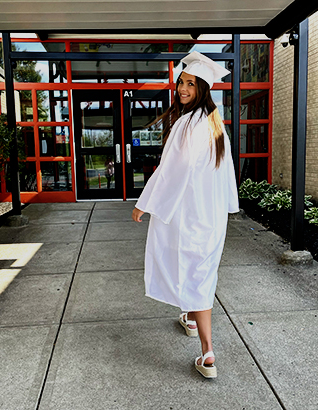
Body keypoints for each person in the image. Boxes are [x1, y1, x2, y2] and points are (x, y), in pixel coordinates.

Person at [131, 51, 239, 379]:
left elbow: (171, 172)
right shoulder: (216, 124)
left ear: (203, 87)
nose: (182, 88)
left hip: (190, 216)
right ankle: (190, 319)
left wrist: (144, 203)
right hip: (211, 216)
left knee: (194, 276)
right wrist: (227, 208)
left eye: (190, 84)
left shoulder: (186, 124)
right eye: (181, 82)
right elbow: (225, 175)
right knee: (199, 272)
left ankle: (208, 354)